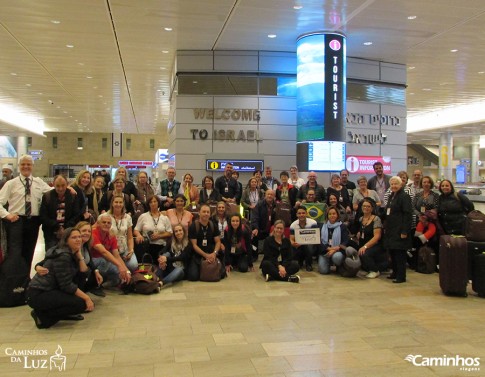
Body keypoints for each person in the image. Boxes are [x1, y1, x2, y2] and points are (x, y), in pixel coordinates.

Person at [27, 228, 95, 329]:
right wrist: (87, 298)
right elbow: (66, 284)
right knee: (81, 304)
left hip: (51, 289)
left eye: (79, 237)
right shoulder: (63, 255)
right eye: (74, 237)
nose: (78, 240)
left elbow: (84, 272)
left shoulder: (72, 253)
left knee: (82, 280)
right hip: (39, 293)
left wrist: (79, 255)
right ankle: (42, 315)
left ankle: (51, 314)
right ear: (66, 240)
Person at [0, 155, 53, 267]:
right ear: (19, 166)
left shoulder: (39, 182)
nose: (26, 166)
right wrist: (7, 215)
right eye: (23, 164)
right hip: (16, 221)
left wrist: (70, 188)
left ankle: (26, 280)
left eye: (28, 164)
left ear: (32, 166)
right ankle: (14, 281)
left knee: (29, 252)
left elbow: (54, 191)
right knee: (15, 253)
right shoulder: (11, 183)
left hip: (33, 222)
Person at [384, 176, 413, 284]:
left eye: (396, 184)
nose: (394, 186)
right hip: (391, 229)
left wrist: (405, 231)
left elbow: (407, 214)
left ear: (401, 185)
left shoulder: (404, 197)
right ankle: (395, 272)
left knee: (399, 254)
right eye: (392, 184)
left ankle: (401, 276)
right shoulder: (392, 196)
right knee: (392, 252)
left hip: (400, 229)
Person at [40, 175, 81, 250]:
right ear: (53, 185)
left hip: (68, 232)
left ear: (67, 184)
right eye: (57, 186)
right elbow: (43, 216)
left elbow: (76, 214)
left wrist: (65, 228)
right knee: (51, 255)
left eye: (63, 185)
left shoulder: (73, 196)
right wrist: (57, 227)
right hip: (51, 233)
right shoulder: (47, 196)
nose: (60, 188)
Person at [90, 213, 132, 287]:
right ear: (98, 224)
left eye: (109, 223)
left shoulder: (112, 236)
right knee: (105, 261)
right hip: (91, 261)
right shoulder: (93, 234)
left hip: (104, 260)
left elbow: (117, 255)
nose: (106, 224)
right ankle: (94, 284)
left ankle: (102, 285)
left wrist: (126, 271)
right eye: (104, 222)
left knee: (120, 276)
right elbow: (104, 252)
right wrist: (119, 266)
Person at [352, 198, 387, 278]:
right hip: (364, 242)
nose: (366, 208)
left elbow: (377, 236)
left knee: (364, 253)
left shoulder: (376, 219)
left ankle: (375, 270)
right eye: (364, 206)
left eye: (368, 206)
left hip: (375, 244)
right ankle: (367, 269)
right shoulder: (361, 219)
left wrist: (365, 246)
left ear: (372, 208)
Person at [187, 204, 223, 281]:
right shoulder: (194, 226)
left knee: (222, 274)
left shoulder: (213, 225)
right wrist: (206, 256)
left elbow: (218, 242)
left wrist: (214, 253)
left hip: (211, 254)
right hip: (198, 255)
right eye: (204, 212)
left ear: (210, 214)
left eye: (208, 212)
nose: (206, 214)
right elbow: (194, 245)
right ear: (199, 213)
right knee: (193, 277)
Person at [133, 195, 173, 263]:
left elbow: (170, 232)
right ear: (148, 204)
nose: (153, 203)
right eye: (151, 202)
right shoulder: (143, 216)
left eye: (155, 201)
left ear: (158, 203)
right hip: (146, 247)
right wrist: (139, 235)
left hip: (161, 247)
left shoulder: (164, 218)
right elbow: (136, 230)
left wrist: (159, 235)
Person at [108, 195, 138, 272]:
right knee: (117, 269)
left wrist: (131, 250)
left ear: (123, 204)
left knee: (133, 266)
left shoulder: (127, 217)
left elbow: (130, 237)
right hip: (111, 250)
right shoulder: (105, 217)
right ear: (112, 203)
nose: (118, 204)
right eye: (116, 202)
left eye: (120, 202)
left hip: (124, 248)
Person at [318, 206, 349, 275]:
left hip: (338, 250)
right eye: (330, 214)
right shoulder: (322, 226)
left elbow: (345, 241)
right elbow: (318, 242)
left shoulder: (342, 226)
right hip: (325, 251)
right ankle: (328, 263)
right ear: (327, 215)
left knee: (337, 258)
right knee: (323, 271)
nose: (332, 215)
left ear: (337, 215)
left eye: (334, 214)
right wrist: (328, 248)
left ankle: (339, 266)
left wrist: (334, 250)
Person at [290, 206, 318, 271]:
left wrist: (304, 242)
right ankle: (300, 262)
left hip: (311, 244)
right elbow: (291, 239)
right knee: (293, 248)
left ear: (306, 213)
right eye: (299, 213)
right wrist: (293, 243)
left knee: (308, 246)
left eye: (303, 213)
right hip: (298, 245)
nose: (301, 215)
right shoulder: (293, 225)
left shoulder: (313, 223)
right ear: (296, 214)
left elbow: (315, 237)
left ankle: (309, 264)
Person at [251, 189, 277, 254]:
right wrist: (256, 228)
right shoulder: (259, 205)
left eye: (271, 194)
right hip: (260, 229)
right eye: (268, 194)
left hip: (272, 230)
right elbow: (254, 218)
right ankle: (254, 254)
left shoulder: (277, 206)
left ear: (274, 196)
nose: (269, 196)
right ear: (265, 195)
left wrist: (274, 229)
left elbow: (278, 219)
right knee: (254, 235)